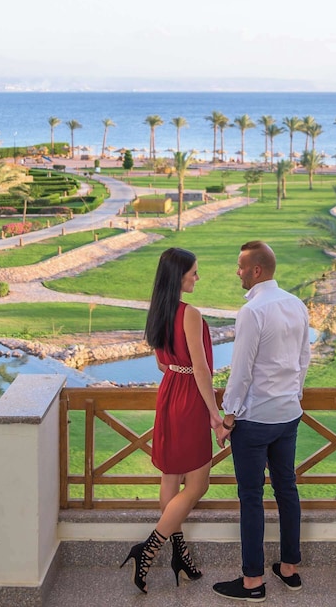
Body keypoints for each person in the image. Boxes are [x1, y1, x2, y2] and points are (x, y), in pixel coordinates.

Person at [120, 247, 226, 594]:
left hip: (168, 395)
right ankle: (148, 549)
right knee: (197, 486)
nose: (197, 277)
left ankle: (180, 555)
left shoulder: (159, 311)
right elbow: (201, 369)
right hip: (190, 400)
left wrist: (179, 371)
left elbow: (162, 364)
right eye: (194, 272)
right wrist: (214, 414)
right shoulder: (189, 314)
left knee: (170, 477)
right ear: (179, 276)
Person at [212, 240, 312, 602]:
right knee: (287, 488)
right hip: (288, 415)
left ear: (256, 270)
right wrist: (294, 394)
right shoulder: (296, 304)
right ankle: (289, 569)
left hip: (254, 420)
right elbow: (304, 358)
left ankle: (252, 581)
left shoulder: (252, 311)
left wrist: (228, 415)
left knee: (251, 497)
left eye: (241, 266)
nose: (237, 272)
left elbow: (241, 370)